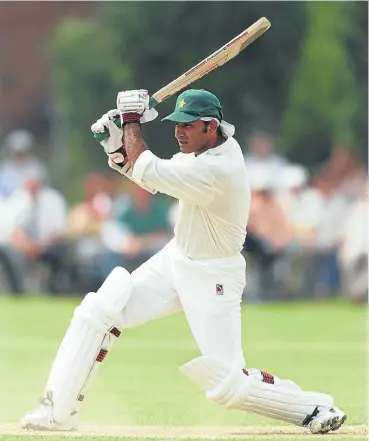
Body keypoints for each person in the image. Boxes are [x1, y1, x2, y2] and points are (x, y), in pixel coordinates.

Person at [21, 89, 346, 434]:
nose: (179, 132)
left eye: (188, 126)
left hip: (213, 275)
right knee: (98, 310)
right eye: (177, 124)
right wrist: (117, 149)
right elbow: (153, 177)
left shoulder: (220, 168)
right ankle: (57, 411)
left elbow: (149, 170)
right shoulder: (201, 150)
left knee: (225, 384)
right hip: (176, 259)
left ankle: (314, 407)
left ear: (211, 126)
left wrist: (130, 122)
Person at [0, 129, 49, 198]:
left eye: (22, 152)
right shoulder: (5, 169)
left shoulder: (36, 167)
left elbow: (44, 189)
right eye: (17, 153)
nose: (19, 156)